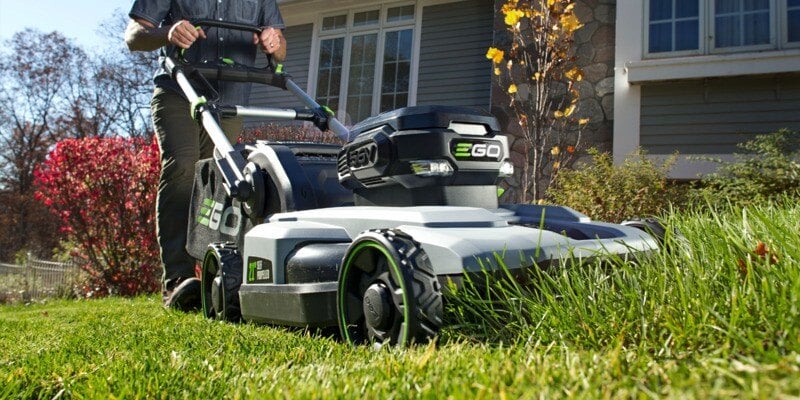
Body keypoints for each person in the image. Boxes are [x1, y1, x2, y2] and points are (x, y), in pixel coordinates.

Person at [125, 0, 286, 310]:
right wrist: (167, 33)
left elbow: (280, 49)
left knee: (220, 182)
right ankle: (178, 279)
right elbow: (134, 37)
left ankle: (218, 275)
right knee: (183, 168)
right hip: (178, 90)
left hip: (230, 100)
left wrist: (273, 42)